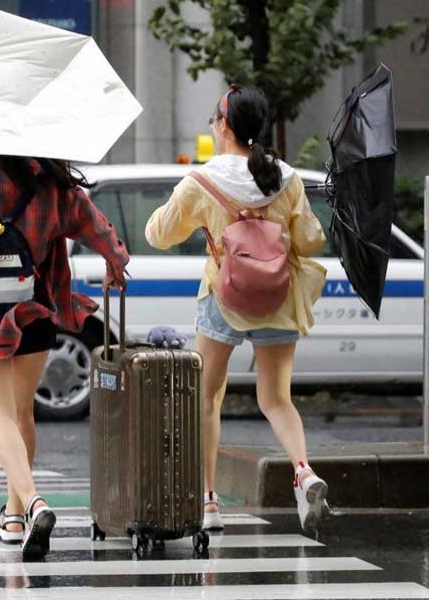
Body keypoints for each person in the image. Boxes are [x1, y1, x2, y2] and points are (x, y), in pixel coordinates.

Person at [145, 85, 329, 531]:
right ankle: (303, 472)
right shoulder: (285, 179)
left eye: (213, 118)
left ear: (225, 126)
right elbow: (311, 240)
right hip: (278, 297)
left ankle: (209, 501)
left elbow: (159, 235)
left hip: (222, 300)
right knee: (277, 399)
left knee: (207, 397)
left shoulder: (203, 182)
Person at [0, 156, 130, 558]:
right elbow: (97, 228)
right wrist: (115, 263)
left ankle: (31, 502)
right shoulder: (56, 185)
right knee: (23, 413)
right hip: (37, 306)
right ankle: (12, 517)